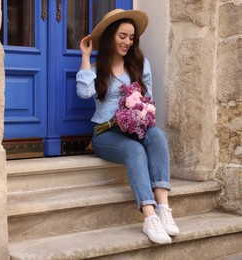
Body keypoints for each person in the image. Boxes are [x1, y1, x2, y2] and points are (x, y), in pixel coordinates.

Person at [76, 9, 180, 244]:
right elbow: (84, 93)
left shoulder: (140, 65)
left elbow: (148, 99)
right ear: (111, 35)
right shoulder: (95, 70)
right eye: (122, 36)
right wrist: (85, 56)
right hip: (106, 134)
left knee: (157, 135)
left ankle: (163, 207)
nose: (127, 42)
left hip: (136, 129)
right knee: (135, 150)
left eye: (131, 37)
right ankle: (149, 215)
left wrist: (140, 115)